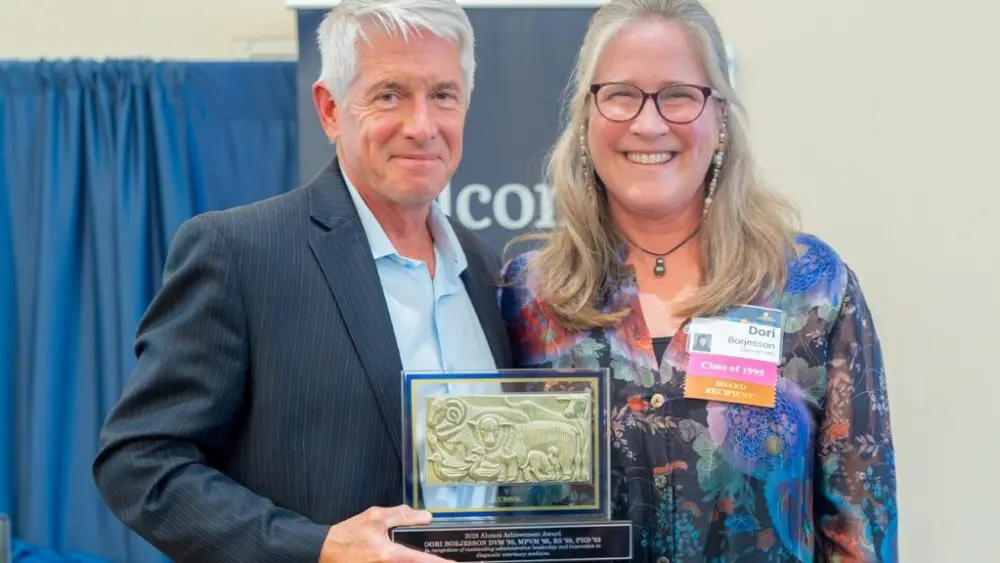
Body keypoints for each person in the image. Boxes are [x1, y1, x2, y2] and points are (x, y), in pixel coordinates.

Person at [92, 1, 512, 562]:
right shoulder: (241, 251)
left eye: (443, 95)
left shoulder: (486, 273)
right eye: (390, 94)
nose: (422, 125)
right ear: (331, 109)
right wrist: (317, 548)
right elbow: (138, 460)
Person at [498, 0, 898, 561]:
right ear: (586, 116)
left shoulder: (810, 289)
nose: (649, 122)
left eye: (679, 95)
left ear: (721, 118)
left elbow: (859, 533)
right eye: (620, 94)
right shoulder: (527, 298)